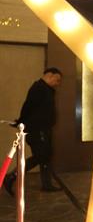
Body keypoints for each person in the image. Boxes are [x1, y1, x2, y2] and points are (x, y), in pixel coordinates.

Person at [3, 67, 62, 195]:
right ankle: (12, 176)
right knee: (41, 155)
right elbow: (27, 107)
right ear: (50, 75)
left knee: (46, 155)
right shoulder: (38, 88)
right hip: (37, 129)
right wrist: (20, 121)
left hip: (43, 129)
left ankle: (47, 184)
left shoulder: (47, 90)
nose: (57, 83)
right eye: (57, 80)